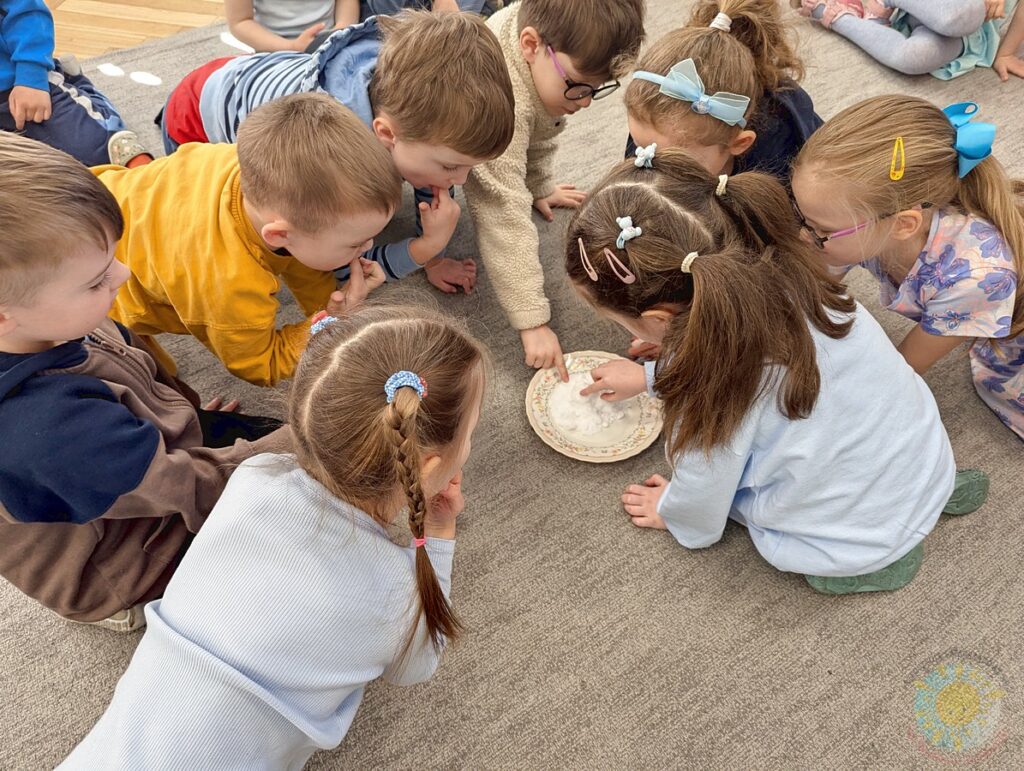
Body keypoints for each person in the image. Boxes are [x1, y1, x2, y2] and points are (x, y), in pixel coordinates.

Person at [61, 306, 485, 767]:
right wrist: (440, 533)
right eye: (470, 432)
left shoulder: (256, 473)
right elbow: (418, 663)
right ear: (428, 465)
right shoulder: (395, 593)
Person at [563, 147, 988, 595]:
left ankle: (879, 559)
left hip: (856, 535)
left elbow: (705, 494)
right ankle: (933, 494)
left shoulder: (712, 395)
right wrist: (654, 372)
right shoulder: (807, 285)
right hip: (923, 458)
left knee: (787, 535)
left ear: (661, 319)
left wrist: (673, 510)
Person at [0, 133, 289, 632]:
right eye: (95, 279)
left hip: (123, 467)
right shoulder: (45, 430)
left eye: (113, 254)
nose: (123, 272)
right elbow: (196, 491)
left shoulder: (52, 316)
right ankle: (124, 607)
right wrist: (310, 436)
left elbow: (131, 358)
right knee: (292, 546)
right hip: (122, 562)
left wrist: (181, 414)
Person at [162, 10, 514, 294]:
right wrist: (422, 251)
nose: (462, 180)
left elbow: (429, 166)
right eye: (452, 166)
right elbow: (338, 263)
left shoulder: (408, 105)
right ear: (386, 134)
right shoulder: (326, 160)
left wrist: (434, 255)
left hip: (251, 73)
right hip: (195, 117)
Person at [97, 92, 402, 386]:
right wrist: (330, 321)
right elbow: (262, 364)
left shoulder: (259, 169)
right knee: (155, 383)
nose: (369, 247)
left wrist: (327, 306)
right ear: (280, 234)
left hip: (107, 195)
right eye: (356, 243)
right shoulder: (228, 284)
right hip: (100, 294)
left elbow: (302, 257)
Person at [791, 96, 1024, 440]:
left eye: (821, 230)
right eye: (803, 219)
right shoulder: (872, 218)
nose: (803, 235)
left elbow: (902, 370)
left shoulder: (975, 280)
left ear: (903, 225)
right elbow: (811, 282)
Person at [463, 0, 646, 381]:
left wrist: (540, 185)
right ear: (530, 46)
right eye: (578, 86)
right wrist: (531, 320)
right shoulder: (500, 103)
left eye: (597, 89)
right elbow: (501, 211)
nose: (585, 101)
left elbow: (544, 127)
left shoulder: (534, 51)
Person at [625, 0, 821, 181]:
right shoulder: (656, 131)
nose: (649, 164)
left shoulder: (775, 169)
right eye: (640, 146)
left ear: (738, 144)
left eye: (677, 165)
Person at [0, 0, 150, 166]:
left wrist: (31, 76)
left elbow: (27, 14)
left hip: (22, 87)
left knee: (96, 148)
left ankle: (80, 87)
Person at [795, 0, 1018, 79]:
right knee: (965, 11)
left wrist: (1006, 53)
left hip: (974, 29)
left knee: (914, 58)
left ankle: (838, 16)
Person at [224, 0, 487, 53]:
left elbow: (346, 7)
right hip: (274, 49)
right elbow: (240, 22)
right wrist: (290, 47)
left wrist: (340, 32)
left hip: (332, 40)